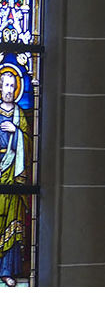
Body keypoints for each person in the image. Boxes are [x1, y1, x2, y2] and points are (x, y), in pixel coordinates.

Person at [0, 67, 26, 287]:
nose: (9, 90)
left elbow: (29, 141)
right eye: (5, 85)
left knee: (11, 220)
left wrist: (15, 131)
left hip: (12, 174)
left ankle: (8, 271)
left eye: (12, 86)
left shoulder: (20, 115)